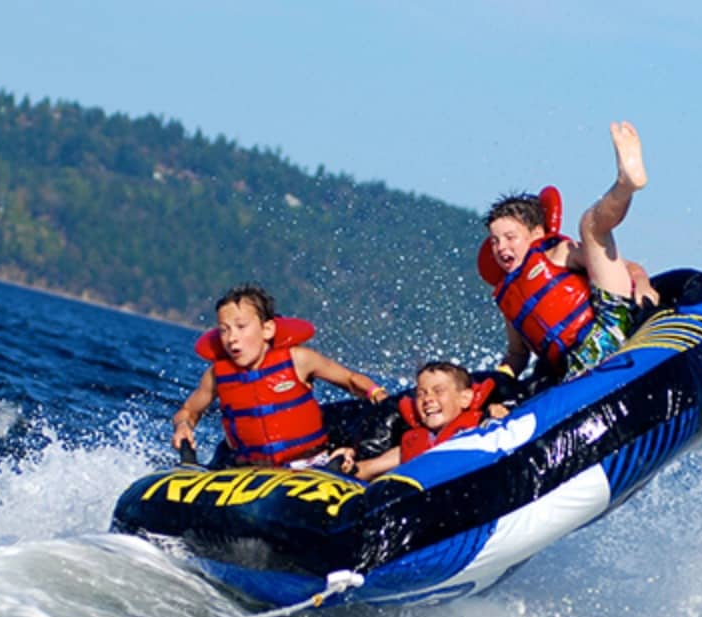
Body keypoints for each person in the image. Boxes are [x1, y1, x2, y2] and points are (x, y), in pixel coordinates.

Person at [480, 121, 660, 382]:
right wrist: (496, 380)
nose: (501, 247)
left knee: (590, 227)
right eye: (495, 241)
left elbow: (624, 268)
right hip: (577, 368)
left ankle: (625, 184)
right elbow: (517, 354)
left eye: (510, 237)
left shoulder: (558, 253)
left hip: (610, 324)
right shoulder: (508, 297)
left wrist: (642, 283)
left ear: (536, 234)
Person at [171, 283, 388, 467]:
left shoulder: (298, 360)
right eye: (224, 330)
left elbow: (350, 380)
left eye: (241, 327)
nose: (231, 338)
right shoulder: (217, 375)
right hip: (250, 471)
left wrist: (375, 393)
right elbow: (188, 411)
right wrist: (183, 426)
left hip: (310, 464)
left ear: (267, 330)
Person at [333, 361, 508, 481]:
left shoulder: (482, 424)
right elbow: (368, 469)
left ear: (465, 398)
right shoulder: (411, 443)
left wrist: (499, 414)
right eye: (421, 394)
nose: (428, 399)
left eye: (438, 391)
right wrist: (346, 465)